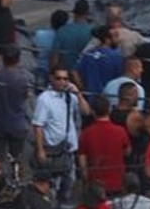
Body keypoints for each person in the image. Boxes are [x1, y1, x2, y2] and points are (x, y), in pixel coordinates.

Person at [33, 68, 93, 207]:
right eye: (58, 78)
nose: (62, 82)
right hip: (52, 150)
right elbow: (38, 125)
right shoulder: (45, 99)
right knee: (53, 186)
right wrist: (40, 150)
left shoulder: (69, 97)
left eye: (65, 79)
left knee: (69, 182)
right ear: (51, 79)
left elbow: (86, 111)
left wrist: (78, 94)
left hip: (68, 150)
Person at [0, 46, 33, 177]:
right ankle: (17, 182)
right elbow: (27, 96)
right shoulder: (26, 77)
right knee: (17, 158)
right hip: (18, 123)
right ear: (18, 59)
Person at [79, 95, 132, 197]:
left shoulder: (86, 133)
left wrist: (85, 178)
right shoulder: (120, 131)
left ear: (93, 112)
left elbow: (82, 160)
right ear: (109, 110)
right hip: (117, 182)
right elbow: (127, 151)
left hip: (96, 185)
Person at [52, 0, 94, 71]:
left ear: (74, 13)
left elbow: (54, 57)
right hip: (84, 73)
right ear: (87, 13)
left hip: (65, 73)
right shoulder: (93, 32)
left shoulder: (62, 30)